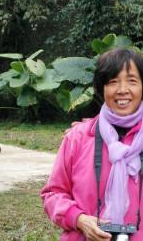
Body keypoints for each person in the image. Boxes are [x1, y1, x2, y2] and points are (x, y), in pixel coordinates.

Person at [41, 48, 143, 240]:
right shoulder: (78, 137)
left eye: (132, 81)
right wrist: (79, 219)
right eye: (113, 81)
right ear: (101, 88)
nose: (122, 90)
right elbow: (53, 194)